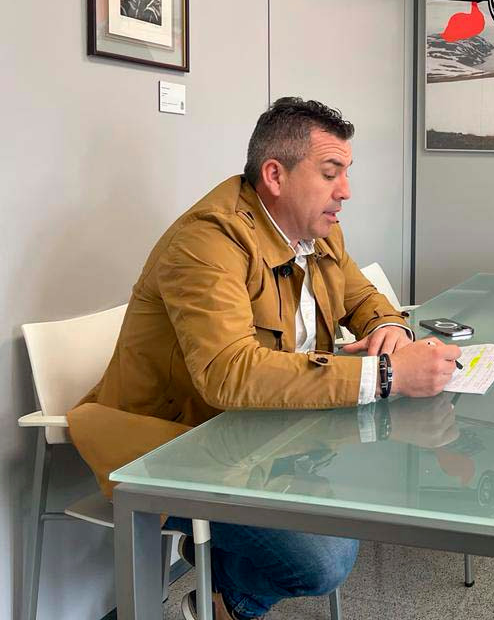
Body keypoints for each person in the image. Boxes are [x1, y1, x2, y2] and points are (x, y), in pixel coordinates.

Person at [68, 97, 461, 620]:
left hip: (267, 436)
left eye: (346, 172)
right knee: (324, 555)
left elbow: (362, 297)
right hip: (175, 446)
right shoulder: (207, 241)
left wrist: (388, 326)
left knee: (367, 497)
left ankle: (221, 583)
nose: (346, 190)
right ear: (275, 175)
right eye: (330, 173)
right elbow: (228, 374)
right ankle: (227, 597)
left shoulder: (317, 231)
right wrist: (386, 375)